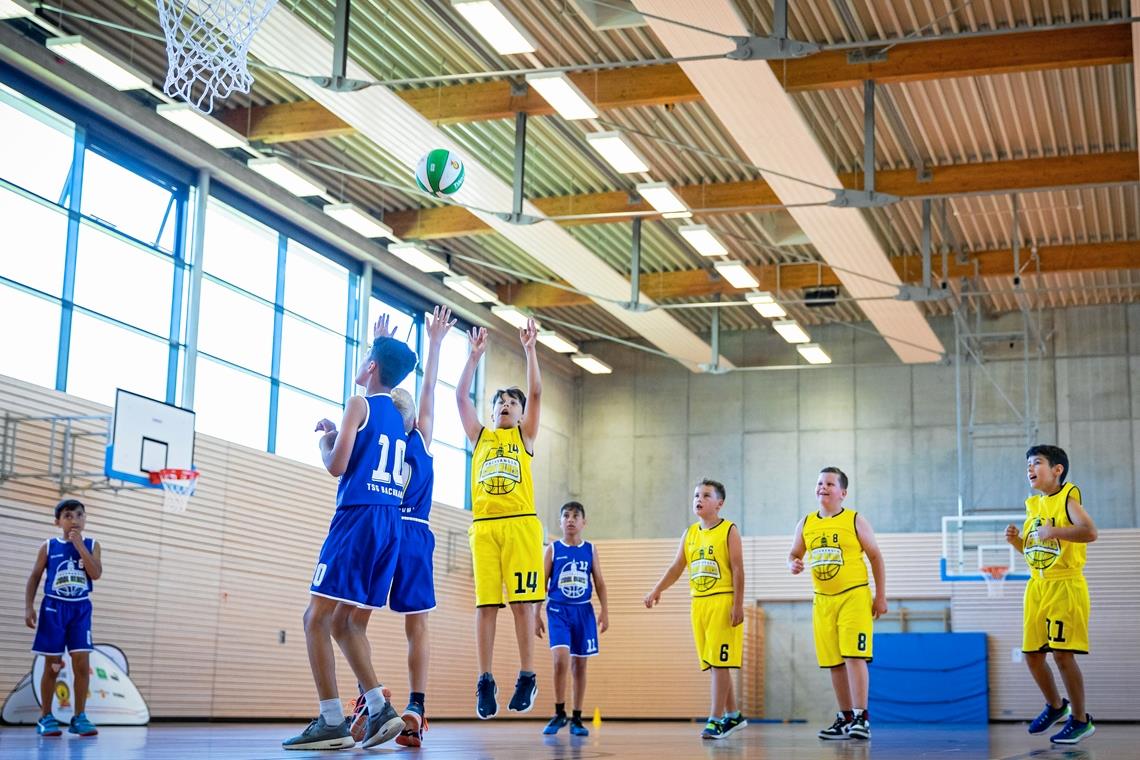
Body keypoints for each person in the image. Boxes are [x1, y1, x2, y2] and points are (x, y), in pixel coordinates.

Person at [281, 318, 417, 751]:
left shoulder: (358, 402)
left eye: (365, 356)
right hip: (389, 525)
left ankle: (332, 720)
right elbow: (367, 449)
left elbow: (337, 466)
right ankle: (379, 707)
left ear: (372, 366)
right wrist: (341, 431)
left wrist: (325, 440)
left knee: (314, 618)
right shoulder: (398, 417)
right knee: (343, 623)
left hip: (357, 518)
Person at [342, 307, 455, 749]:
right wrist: (435, 344)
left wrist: (378, 346)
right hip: (414, 533)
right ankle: (417, 706)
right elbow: (428, 388)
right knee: (417, 625)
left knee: (355, 619)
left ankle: (368, 698)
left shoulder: (376, 431)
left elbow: (367, 402)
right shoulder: (420, 438)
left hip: (378, 524)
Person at [456, 318, 545, 719]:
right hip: (484, 529)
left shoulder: (522, 439)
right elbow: (460, 397)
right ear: (492, 412)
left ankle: (527, 675)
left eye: (513, 402)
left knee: (524, 604)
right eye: (500, 402)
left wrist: (530, 350)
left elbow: (538, 391)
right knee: (486, 605)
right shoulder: (481, 438)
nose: (506, 405)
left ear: (522, 414)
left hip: (522, 525)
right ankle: (485, 679)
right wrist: (473, 358)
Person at [1005, 445, 1098, 745]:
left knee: (1062, 655)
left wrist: (1055, 532)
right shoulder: (1034, 506)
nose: (1030, 469)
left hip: (1065, 586)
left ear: (1057, 470)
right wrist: (1018, 543)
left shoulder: (1068, 498)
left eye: (1037, 463)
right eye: (1028, 465)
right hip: (1037, 587)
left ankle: (1081, 720)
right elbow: (1039, 552)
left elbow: (1089, 532)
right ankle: (1057, 706)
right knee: (1032, 656)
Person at [787, 467, 886, 742]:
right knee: (834, 662)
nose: (823, 487)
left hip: (853, 595)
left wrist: (881, 595)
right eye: (819, 483)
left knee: (854, 656)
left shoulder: (855, 520)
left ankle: (861, 718)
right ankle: (844, 718)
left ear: (842, 492)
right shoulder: (806, 523)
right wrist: (793, 563)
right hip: (822, 601)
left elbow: (876, 557)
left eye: (830, 484)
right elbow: (794, 553)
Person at [644, 480, 747, 740]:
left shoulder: (729, 530)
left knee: (720, 662)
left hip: (722, 601)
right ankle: (733, 716)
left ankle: (714, 719)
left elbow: (737, 569)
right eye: (696, 495)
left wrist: (737, 604)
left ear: (719, 503)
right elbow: (677, 567)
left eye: (706, 495)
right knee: (714, 664)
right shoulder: (690, 533)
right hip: (698, 603)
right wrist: (657, 589)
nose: (698, 499)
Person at [24, 498, 102, 737]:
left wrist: (79, 547)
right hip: (53, 609)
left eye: (79, 515)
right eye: (68, 516)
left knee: (82, 663)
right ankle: (45, 716)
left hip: (80, 609)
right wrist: (29, 607)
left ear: (85, 519)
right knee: (53, 665)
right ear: (58, 521)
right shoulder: (48, 546)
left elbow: (96, 574)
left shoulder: (92, 544)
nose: (74, 520)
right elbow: (35, 576)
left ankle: (79, 717)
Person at [536, 501, 609, 736]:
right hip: (558, 610)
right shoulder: (554, 549)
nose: (570, 519)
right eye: (566, 515)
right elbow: (541, 584)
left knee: (579, 665)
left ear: (583, 522)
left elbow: (599, 582)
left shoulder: (590, 549)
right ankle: (559, 713)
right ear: (560, 521)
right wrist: (535, 613)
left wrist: (605, 611)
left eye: (575, 516)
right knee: (560, 660)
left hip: (583, 611)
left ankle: (577, 717)